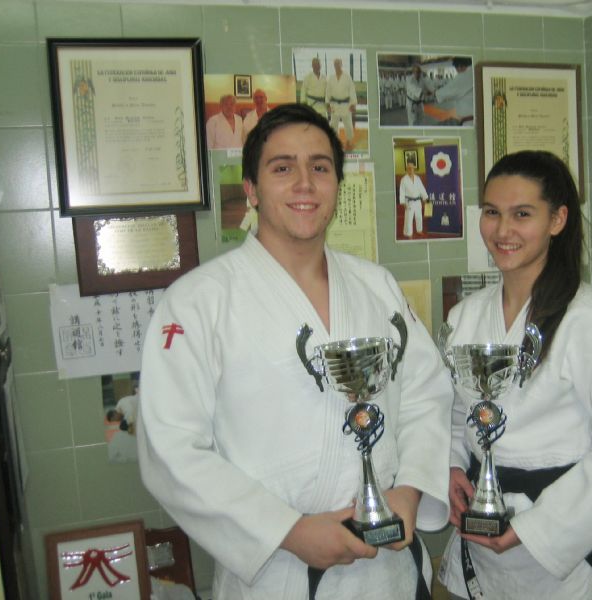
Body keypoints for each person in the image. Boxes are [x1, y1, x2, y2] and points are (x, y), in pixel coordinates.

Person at [137, 103, 452, 599]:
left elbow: (425, 395)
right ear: (251, 189)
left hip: (387, 574)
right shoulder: (198, 302)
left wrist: (409, 491)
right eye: (282, 168)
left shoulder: (377, 287)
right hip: (277, 574)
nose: (305, 184)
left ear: (337, 185)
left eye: (320, 168)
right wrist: (288, 531)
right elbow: (171, 449)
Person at [438, 150, 592, 599]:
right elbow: (459, 412)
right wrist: (451, 466)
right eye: (492, 213)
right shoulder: (464, 318)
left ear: (558, 219)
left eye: (522, 214)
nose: (503, 230)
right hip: (481, 547)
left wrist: (533, 529)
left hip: (568, 557)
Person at [326, 58, 358, 150]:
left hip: (346, 105)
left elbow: (352, 90)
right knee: (333, 124)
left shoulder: (347, 77)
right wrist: (327, 104)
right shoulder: (331, 78)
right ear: (334, 66)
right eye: (335, 64)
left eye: (338, 64)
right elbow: (328, 91)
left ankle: (349, 141)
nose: (337, 66)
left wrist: (353, 104)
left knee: (348, 124)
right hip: (334, 105)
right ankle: (335, 142)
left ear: (341, 64)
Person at [434, 57, 474, 126]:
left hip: (469, 121)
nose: (457, 71)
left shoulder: (463, 76)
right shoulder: (474, 72)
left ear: (459, 66)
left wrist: (434, 93)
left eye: (456, 68)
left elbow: (444, 92)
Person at [398, 158, 428, 238]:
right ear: (407, 169)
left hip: (418, 201)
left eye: (412, 167)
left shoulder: (418, 178)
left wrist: (425, 198)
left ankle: (419, 230)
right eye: (408, 168)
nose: (410, 169)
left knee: (419, 217)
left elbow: (422, 189)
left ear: (414, 168)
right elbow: (402, 191)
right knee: (409, 218)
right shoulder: (404, 179)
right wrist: (403, 202)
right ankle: (408, 233)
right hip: (409, 202)